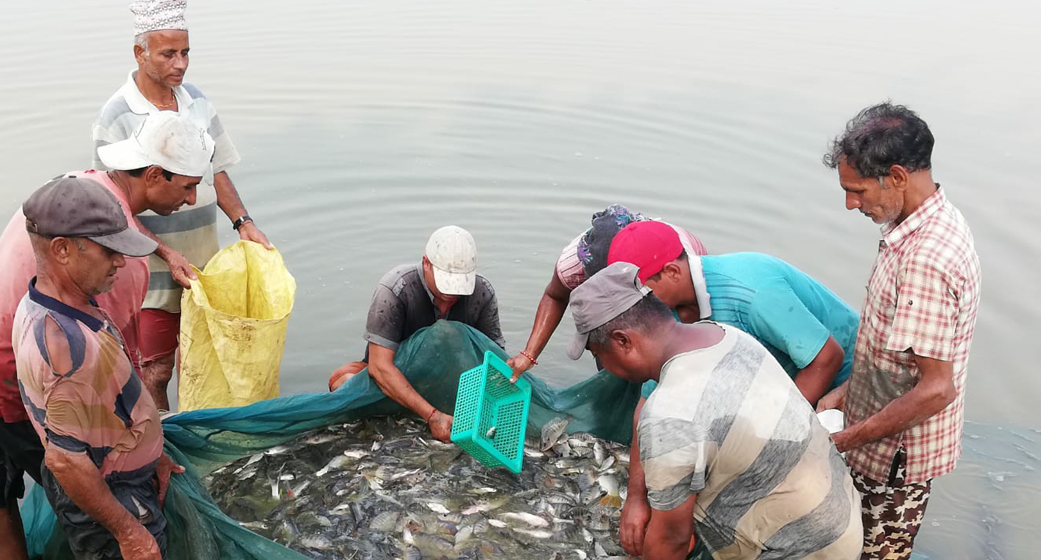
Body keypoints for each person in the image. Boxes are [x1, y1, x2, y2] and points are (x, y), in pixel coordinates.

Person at [0, 112, 212, 560]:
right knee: (87, 496)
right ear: (153, 176)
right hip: (21, 378)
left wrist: (165, 251)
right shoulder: (118, 270)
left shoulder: (77, 190)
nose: (192, 199)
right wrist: (152, 454)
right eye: (188, 186)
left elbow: (122, 227)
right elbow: (118, 377)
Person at [570, 262, 862, 560]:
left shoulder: (671, 413)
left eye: (599, 353)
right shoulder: (724, 336)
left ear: (623, 341)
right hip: (836, 513)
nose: (604, 368)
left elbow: (672, 539)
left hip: (791, 556)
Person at [819, 103, 981, 560]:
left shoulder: (927, 259)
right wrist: (846, 392)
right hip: (872, 428)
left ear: (896, 177)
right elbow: (892, 332)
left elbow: (936, 388)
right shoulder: (910, 226)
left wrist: (850, 437)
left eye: (858, 191)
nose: (850, 204)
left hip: (897, 455)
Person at [13, 176, 185, 560]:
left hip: (104, 479)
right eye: (108, 251)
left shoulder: (43, 301)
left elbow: (101, 410)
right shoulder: (64, 348)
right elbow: (66, 462)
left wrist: (154, 452)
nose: (120, 261)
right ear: (63, 250)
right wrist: (129, 531)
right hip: (110, 492)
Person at [92, 0, 272, 410]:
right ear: (140, 53)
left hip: (203, 264)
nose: (180, 64)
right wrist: (166, 253)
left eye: (186, 52)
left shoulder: (197, 102)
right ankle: (162, 442)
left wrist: (243, 222)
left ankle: (201, 427)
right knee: (155, 370)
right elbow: (110, 205)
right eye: (168, 54)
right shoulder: (116, 116)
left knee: (208, 359)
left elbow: (219, 169)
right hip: (150, 272)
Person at [607, 220, 858, 406]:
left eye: (641, 293)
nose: (637, 308)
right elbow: (650, 400)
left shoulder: (752, 290)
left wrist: (774, 434)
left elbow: (826, 358)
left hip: (848, 380)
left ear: (672, 272)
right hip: (781, 379)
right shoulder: (663, 312)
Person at [328, 226, 505, 442]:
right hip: (399, 379)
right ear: (426, 263)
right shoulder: (396, 288)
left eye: (458, 284)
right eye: (445, 281)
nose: (451, 292)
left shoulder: (482, 292)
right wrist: (432, 415)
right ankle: (415, 409)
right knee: (340, 382)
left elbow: (494, 360)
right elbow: (379, 367)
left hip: (454, 383)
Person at [507, 204, 706, 382]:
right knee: (609, 350)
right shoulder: (575, 264)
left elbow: (694, 315)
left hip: (668, 293)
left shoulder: (675, 258)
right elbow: (555, 296)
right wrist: (529, 354)